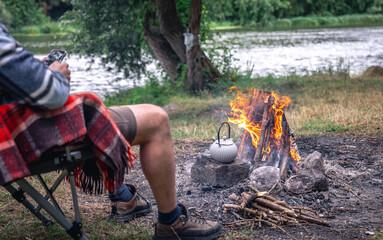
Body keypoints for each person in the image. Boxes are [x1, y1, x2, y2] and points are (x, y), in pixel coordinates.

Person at [0, 22, 222, 239]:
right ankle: (171, 222)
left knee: (94, 113)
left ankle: (122, 195)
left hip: (10, 134)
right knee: (156, 118)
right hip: (22, 136)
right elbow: (51, 94)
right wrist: (56, 75)